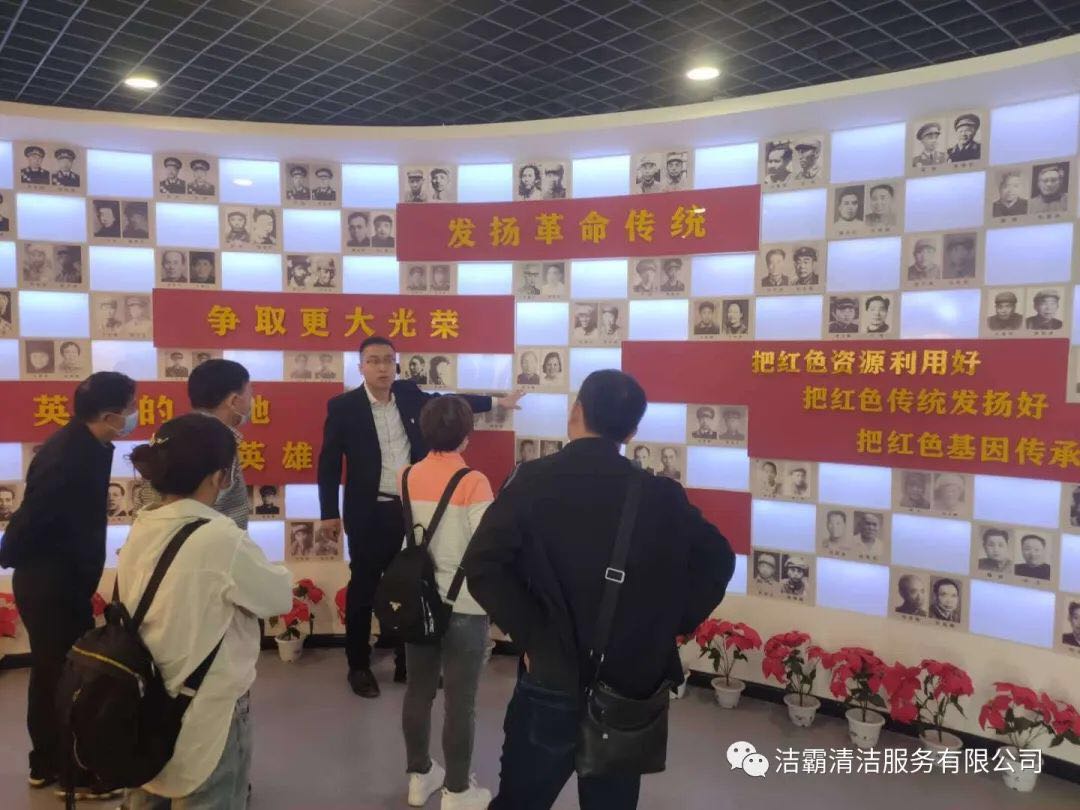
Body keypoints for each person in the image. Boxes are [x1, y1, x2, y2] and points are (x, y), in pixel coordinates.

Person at [463, 369, 734, 810]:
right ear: (631, 431)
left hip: (550, 670)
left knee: (521, 800)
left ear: (576, 413)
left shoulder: (531, 480)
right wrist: (668, 625)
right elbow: (718, 560)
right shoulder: (661, 494)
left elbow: (482, 564)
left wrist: (531, 634)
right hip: (628, 680)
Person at [317, 336, 522, 698]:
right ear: (361, 366)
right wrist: (329, 513)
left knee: (410, 582)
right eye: (373, 361)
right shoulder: (344, 407)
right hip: (368, 512)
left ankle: (405, 662)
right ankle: (358, 665)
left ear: (395, 364)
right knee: (363, 587)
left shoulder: (408, 394)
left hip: (410, 510)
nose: (382, 367)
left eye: (388, 360)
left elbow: (450, 404)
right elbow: (329, 463)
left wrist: (497, 402)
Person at [119, 414, 292, 809]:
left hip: (143, 707)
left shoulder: (143, 524)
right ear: (220, 476)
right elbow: (278, 598)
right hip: (206, 712)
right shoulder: (220, 536)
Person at [0, 372, 137, 792]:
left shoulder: (88, 444)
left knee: (54, 672)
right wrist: (11, 555)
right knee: (63, 677)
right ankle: (68, 773)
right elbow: (33, 517)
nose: (135, 414)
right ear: (110, 415)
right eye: (131, 408)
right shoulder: (69, 455)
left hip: (61, 578)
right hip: (50, 582)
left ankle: (48, 763)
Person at [399, 397, 496, 809]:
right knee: (461, 702)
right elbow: (486, 547)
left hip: (417, 602)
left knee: (418, 692)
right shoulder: (474, 482)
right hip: (465, 605)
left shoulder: (406, 475)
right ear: (466, 435)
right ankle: (457, 791)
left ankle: (419, 777)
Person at [187, 359, 256, 530]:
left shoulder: (177, 434)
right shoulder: (216, 443)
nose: (252, 402)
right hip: (212, 542)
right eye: (249, 394)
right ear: (233, 400)